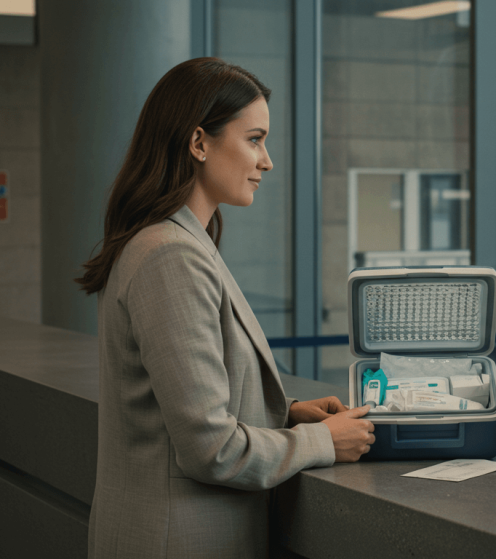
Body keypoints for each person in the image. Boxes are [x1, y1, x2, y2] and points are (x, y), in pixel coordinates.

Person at [76, 58, 375, 558]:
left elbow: (182, 408)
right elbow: (210, 450)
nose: (267, 161)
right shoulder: (170, 255)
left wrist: (287, 414)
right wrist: (323, 442)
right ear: (199, 143)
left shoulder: (170, 242)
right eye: (254, 139)